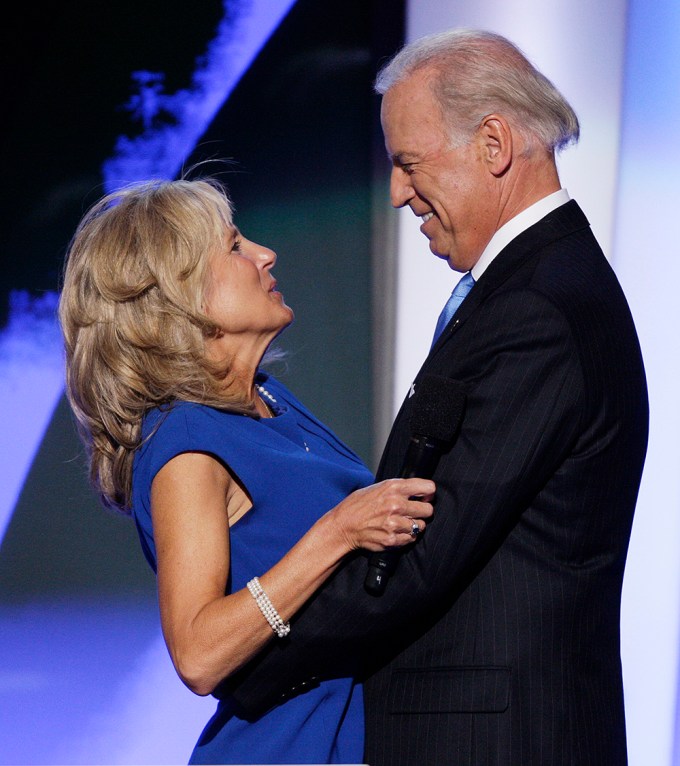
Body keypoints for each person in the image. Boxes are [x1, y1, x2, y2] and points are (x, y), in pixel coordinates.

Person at [219, 28, 650, 765]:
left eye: (409, 163)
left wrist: (244, 654)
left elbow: (416, 558)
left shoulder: (537, 312)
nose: (395, 193)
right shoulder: (536, 290)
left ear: (493, 145)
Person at [57, 177, 436, 765]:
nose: (265, 254)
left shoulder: (269, 399)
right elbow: (198, 654)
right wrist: (336, 533)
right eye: (234, 247)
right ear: (179, 296)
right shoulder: (186, 443)